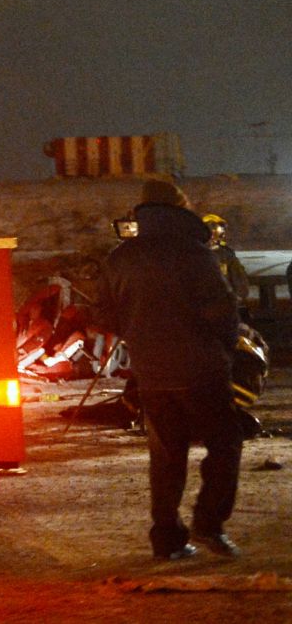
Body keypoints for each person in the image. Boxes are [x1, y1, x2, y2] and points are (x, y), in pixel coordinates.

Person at [99, 179, 244, 560]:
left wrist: (144, 343)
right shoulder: (194, 254)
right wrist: (222, 355)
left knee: (166, 457)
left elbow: (106, 315)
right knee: (226, 444)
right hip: (201, 371)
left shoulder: (120, 258)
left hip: (152, 373)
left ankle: (167, 539)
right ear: (180, 207)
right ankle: (208, 522)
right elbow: (223, 312)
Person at [201, 214, 251, 316]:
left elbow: (240, 283)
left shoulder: (226, 255)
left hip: (224, 307)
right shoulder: (194, 253)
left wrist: (235, 300)